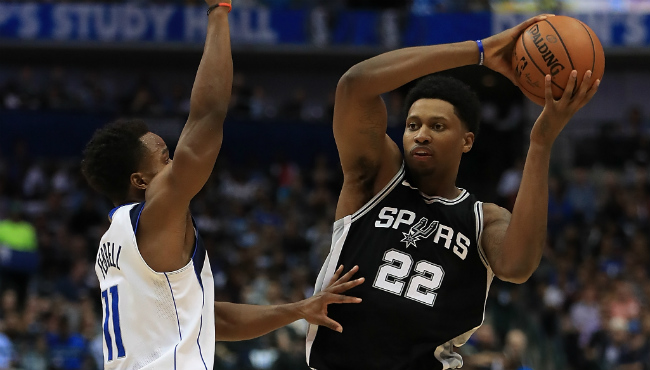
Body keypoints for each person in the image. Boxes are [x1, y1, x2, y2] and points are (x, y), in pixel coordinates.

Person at [306, 14, 600, 370]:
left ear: (467, 141)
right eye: (413, 124)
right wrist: (479, 51)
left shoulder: (483, 218)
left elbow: (518, 266)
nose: (421, 134)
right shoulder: (375, 180)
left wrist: (540, 143)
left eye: (437, 125)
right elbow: (354, 85)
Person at [80, 1, 364, 369]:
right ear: (140, 181)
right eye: (167, 159)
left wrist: (297, 310)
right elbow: (207, 115)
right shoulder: (154, 216)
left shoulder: (113, 240)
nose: (176, 164)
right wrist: (219, 10)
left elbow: (212, 322)